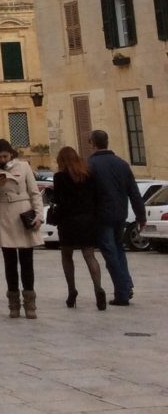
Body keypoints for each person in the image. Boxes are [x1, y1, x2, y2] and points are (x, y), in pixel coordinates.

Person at [0, 138, 43, 318]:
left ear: (11, 153)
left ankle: (30, 303)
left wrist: (39, 215)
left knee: (27, 260)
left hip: (22, 213)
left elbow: (34, 192)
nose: (2, 159)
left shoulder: (23, 166)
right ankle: (13, 303)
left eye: (5, 156)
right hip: (5, 213)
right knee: (9, 262)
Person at [87, 129, 145, 306]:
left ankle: (122, 292)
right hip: (121, 213)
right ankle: (126, 285)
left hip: (102, 215)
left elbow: (89, 194)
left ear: (93, 143)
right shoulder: (122, 164)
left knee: (110, 253)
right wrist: (141, 215)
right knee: (119, 249)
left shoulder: (90, 165)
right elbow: (134, 192)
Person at [52, 145, 105, 310]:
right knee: (90, 255)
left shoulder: (60, 177)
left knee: (67, 255)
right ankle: (98, 288)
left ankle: (72, 290)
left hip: (68, 221)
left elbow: (60, 200)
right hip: (88, 219)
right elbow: (97, 197)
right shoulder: (88, 175)